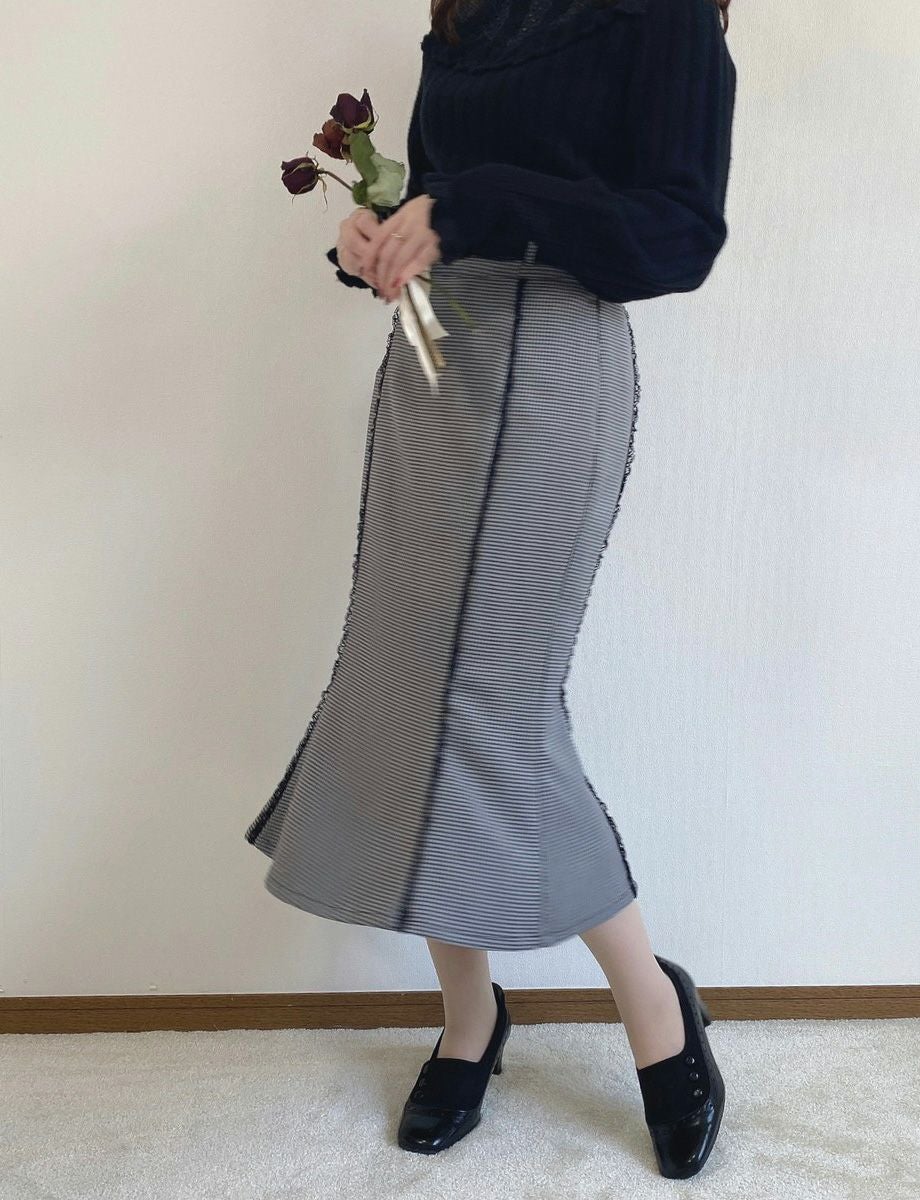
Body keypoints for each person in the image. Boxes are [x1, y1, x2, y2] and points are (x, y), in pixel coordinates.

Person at [245, 0, 736, 1180]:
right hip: (433, 365)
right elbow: (445, 194)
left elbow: (676, 236)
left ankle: (655, 1007)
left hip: (555, 362)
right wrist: (377, 235)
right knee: (395, 695)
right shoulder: (467, 10)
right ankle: (469, 1018)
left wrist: (467, 205)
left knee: (492, 717)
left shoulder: (664, 15)